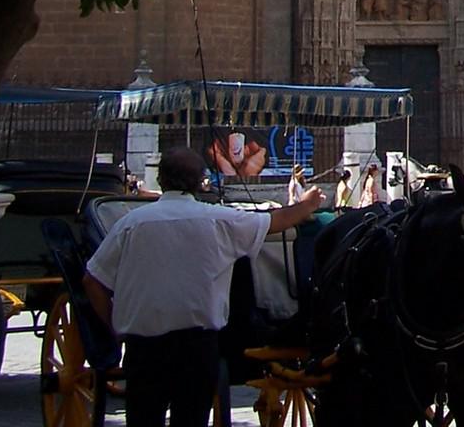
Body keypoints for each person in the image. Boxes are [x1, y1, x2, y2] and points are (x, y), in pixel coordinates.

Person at [84, 147, 325, 427]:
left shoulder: (131, 224)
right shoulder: (219, 220)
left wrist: (114, 325)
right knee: (191, 419)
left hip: (144, 349)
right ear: (200, 181)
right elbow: (275, 221)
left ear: (161, 179)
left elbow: (92, 280)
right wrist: (307, 204)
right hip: (197, 347)